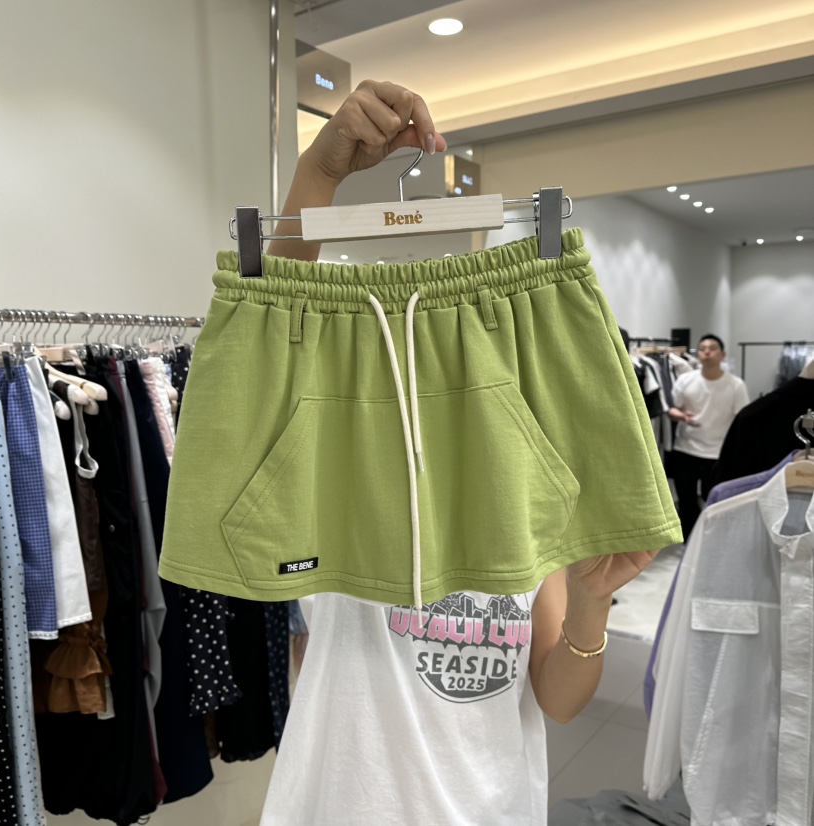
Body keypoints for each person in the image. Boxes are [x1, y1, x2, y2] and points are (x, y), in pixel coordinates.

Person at [257, 80, 659, 825]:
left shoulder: (529, 503)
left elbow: (558, 700)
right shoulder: (344, 485)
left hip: (491, 807)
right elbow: (275, 325)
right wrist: (320, 172)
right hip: (342, 806)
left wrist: (592, 601)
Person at [667, 334, 750, 537]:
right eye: (702, 348)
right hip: (685, 448)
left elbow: (742, 418)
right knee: (686, 498)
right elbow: (672, 409)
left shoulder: (736, 385)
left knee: (713, 497)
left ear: (722, 354)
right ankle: (689, 539)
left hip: (718, 452)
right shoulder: (685, 380)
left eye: (712, 348)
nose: (706, 352)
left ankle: (711, 537)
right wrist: (682, 416)